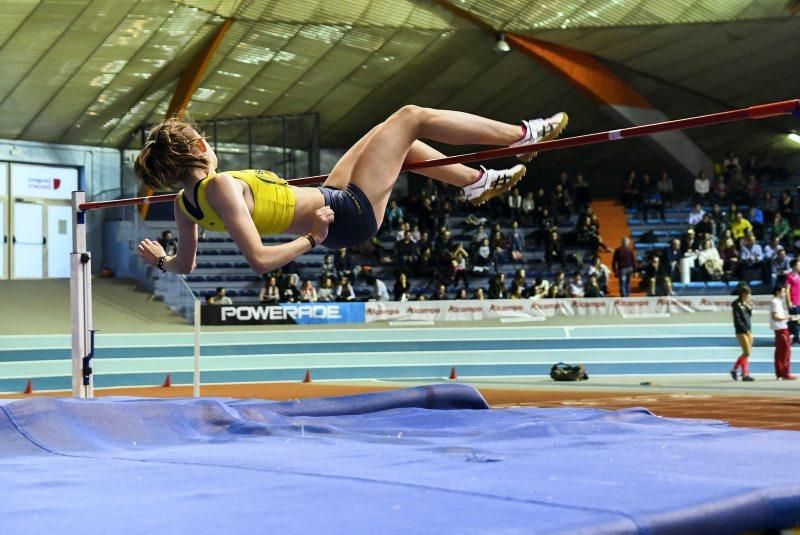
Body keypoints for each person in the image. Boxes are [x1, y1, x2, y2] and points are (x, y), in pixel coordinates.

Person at [136, 109, 568, 275]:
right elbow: (261, 261)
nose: (209, 143)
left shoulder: (182, 206)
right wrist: (311, 239)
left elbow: (185, 266)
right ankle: (521, 134)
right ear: (197, 148)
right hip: (345, 214)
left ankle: (478, 183)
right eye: (204, 138)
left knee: (390, 134)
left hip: (333, 197)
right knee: (411, 116)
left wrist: (159, 259)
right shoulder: (223, 186)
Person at [770, 285, 797, 380]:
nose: (785, 293)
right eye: (783, 291)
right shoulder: (774, 302)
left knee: (780, 352)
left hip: (782, 328)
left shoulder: (777, 302)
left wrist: (789, 316)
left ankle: (780, 373)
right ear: (778, 292)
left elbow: (779, 315)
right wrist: (787, 317)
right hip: (780, 329)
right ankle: (785, 373)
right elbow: (775, 317)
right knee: (785, 351)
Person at [730, 286, 754, 381]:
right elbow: (738, 319)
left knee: (746, 353)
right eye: (749, 294)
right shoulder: (736, 304)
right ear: (744, 294)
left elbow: (748, 317)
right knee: (747, 352)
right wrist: (745, 329)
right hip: (741, 330)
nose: (750, 296)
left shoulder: (745, 304)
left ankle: (745, 374)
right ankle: (734, 369)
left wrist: (749, 309)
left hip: (749, 329)